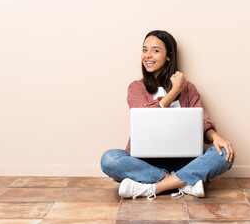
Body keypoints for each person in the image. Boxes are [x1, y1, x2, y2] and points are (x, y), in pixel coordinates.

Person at [101, 30, 235, 200]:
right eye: (144, 50)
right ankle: (184, 183)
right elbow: (144, 115)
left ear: (169, 56)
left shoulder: (189, 88)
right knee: (109, 159)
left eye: (155, 50)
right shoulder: (136, 87)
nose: (148, 56)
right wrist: (174, 91)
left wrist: (216, 137)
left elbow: (200, 121)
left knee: (225, 153)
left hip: (183, 160)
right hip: (144, 162)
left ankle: (151, 188)